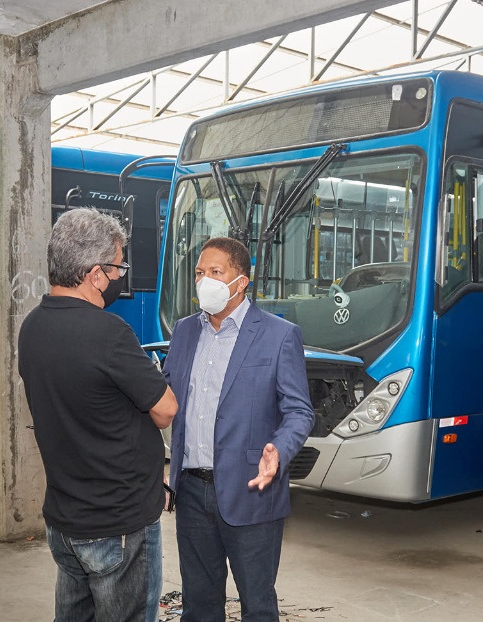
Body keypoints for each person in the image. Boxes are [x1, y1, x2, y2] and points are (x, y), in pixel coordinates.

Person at [18, 208, 178, 622]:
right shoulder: (109, 333)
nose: (119, 278)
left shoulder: (31, 327)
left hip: (65, 521)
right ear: (94, 273)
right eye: (118, 268)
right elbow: (165, 409)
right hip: (117, 525)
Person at [162, 237, 314, 622]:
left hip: (252, 489)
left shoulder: (279, 335)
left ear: (241, 281)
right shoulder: (184, 332)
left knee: (258, 604)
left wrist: (278, 451)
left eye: (216, 272)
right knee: (198, 606)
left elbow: (299, 411)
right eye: (199, 273)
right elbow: (164, 400)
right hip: (192, 491)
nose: (204, 281)